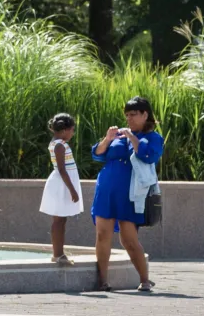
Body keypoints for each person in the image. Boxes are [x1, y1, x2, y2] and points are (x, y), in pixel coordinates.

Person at [90, 95, 163, 292]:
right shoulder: (119, 135)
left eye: (133, 114)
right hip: (106, 189)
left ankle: (145, 279)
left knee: (128, 239)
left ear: (145, 114)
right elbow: (97, 154)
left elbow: (148, 156)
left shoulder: (153, 138)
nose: (129, 119)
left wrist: (132, 138)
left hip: (131, 194)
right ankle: (103, 280)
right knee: (102, 234)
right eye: (127, 115)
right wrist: (108, 138)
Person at [39, 113, 83, 264]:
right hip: (61, 184)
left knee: (61, 220)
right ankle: (57, 254)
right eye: (72, 130)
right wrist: (72, 190)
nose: (73, 133)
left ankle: (59, 253)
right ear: (64, 130)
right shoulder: (59, 145)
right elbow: (62, 170)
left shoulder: (58, 143)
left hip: (63, 183)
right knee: (58, 220)